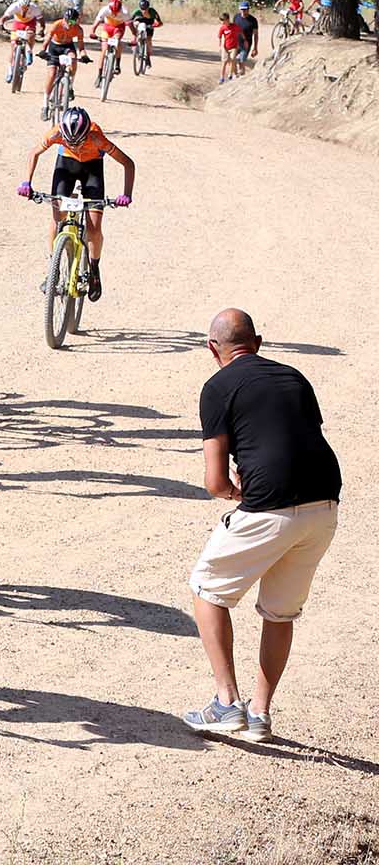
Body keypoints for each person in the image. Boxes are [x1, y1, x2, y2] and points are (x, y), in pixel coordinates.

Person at [182, 309, 341, 742]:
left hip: (270, 505)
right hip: (325, 504)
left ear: (212, 348)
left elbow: (215, 482)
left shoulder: (217, 387)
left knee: (208, 590)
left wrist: (238, 493)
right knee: (280, 611)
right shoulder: (294, 377)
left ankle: (226, 704)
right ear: (259, 342)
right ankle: (261, 714)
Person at [15, 106, 136, 301]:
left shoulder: (97, 137)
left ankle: (94, 269)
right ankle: (53, 269)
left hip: (92, 170)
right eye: (70, 142)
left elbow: (128, 163)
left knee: (94, 228)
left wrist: (126, 194)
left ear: (87, 133)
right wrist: (26, 182)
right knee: (57, 216)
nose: (77, 146)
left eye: (79, 142)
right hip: (66, 166)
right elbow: (33, 153)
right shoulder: (56, 133)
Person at [39, 6, 88, 118]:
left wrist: (84, 56)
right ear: (64, 18)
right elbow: (47, 38)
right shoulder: (57, 24)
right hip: (54, 47)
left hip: (67, 47)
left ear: (76, 21)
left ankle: (69, 85)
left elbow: (81, 47)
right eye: (67, 20)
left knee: (73, 59)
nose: (69, 24)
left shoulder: (78, 29)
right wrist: (43, 50)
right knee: (51, 74)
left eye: (72, 21)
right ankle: (45, 104)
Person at [90, 0, 133, 86]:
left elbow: (132, 27)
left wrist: (135, 38)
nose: (114, 14)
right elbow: (95, 24)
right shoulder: (105, 10)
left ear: (120, 9)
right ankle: (99, 75)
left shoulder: (125, 12)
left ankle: (117, 64)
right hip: (107, 28)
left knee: (117, 41)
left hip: (118, 28)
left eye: (116, 12)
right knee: (104, 49)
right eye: (113, 11)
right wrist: (92, 32)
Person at [130, 0, 164, 71]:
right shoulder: (137, 12)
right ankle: (136, 48)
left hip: (149, 24)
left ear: (149, 8)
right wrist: (134, 24)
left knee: (148, 40)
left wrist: (154, 25)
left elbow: (160, 23)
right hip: (140, 23)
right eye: (142, 10)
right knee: (137, 30)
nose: (144, 11)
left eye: (146, 9)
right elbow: (129, 21)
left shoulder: (153, 12)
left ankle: (148, 58)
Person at [233, 1, 260, 71]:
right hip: (236, 43)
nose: (243, 11)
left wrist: (255, 48)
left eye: (245, 9)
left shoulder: (253, 20)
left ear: (248, 9)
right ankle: (235, 75)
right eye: (242, 9)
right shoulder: (236, 17)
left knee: (242, 61)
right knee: (232, 59)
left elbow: (256, 34)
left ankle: (242, 75)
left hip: (246, 44)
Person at [217, 13, 241, 83]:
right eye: (221, 21)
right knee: (224, 62)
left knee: (233, 59)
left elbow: (240, 32)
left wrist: (244, 40)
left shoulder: (234, 26)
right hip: (225, 47)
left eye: (223, 21)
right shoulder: (222, 28)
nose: (222, 22)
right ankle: (221, 77)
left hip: (234, 47)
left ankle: (230, 74)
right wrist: (220, 46)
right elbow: (220, 37)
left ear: (228, 20)